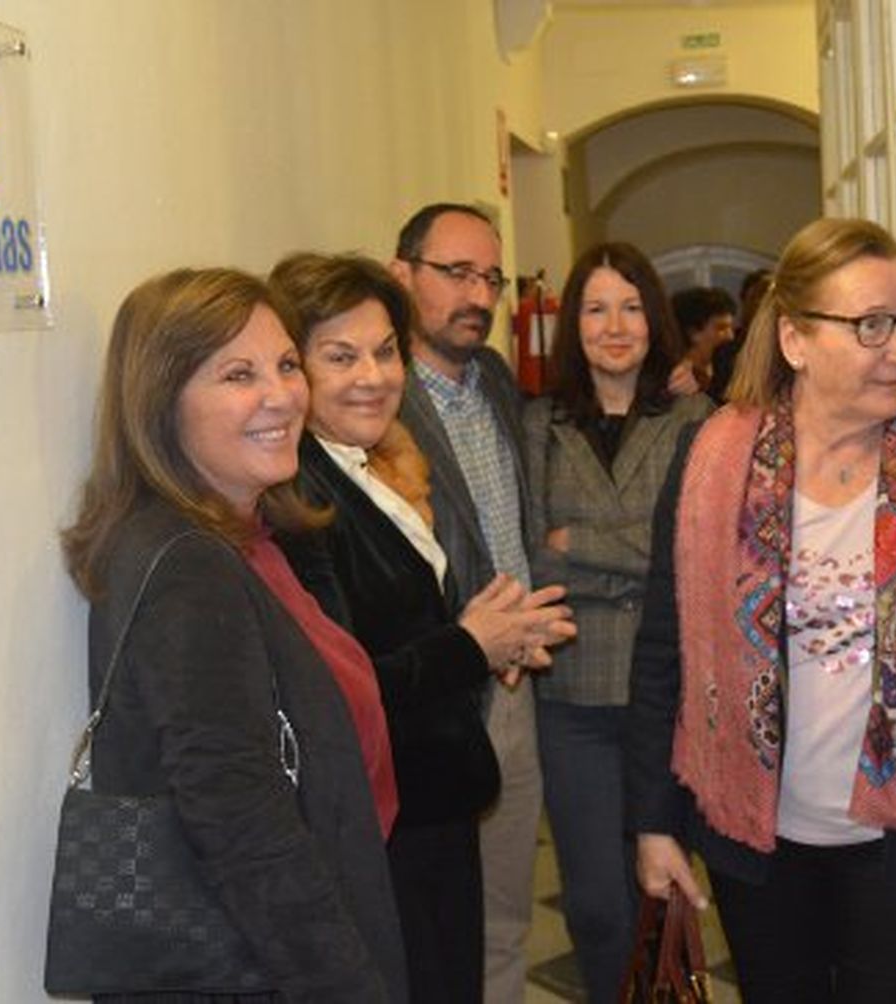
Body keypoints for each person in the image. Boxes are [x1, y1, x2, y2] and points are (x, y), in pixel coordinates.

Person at [626, 219, 896, 1003]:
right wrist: (655, 821)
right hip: (758, 836)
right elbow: (666, 648)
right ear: (795, 338)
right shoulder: (710, 461)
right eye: (870, 326)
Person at [60, 267, 408, 1002]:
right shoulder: (189, 567)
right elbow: (241, 821)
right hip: (258, 970)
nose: (282, 396)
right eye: (238, 375)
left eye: (286, 365)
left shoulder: (245, 539)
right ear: (162, 405)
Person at [268, 252, 575, 1003]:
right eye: (339, 357)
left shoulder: (363, 466)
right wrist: (473, 644)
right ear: (294, 369)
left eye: (384, 352)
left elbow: (406, 626)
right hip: (386, 822)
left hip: (429, 803)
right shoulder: (297, 497)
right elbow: (342, 684)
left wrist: (489, 636)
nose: (372, 376)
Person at [522, 242, 712, 1002]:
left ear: (653, 318)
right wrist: (642, 553)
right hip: (572, 696)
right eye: (596, 308)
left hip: (668, 694)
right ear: (574, 325)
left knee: (661, 894)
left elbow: (696, 554)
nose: (615, 325)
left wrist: (583, 547)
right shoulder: (538, 424)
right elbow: (537, 558)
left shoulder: (697, 419)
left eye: (631, 307)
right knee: (597, 904)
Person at [387, 203, 542, 1004]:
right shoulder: (377, 402)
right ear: (401, 274)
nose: (478, 294)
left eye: (491, 277)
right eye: (457, 273)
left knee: (507, 918)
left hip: (514, 693)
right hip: (438, 701)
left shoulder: (496, 383)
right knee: (441, 926)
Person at [708, 268, 773, 402]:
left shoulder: (792, 346)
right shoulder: (726, 348)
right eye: (755, 299)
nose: (760, 306)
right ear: (745, 303)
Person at [669, 285, 737, 395]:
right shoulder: (678, 381)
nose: (730, 336)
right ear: (694, 333)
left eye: (731, 328)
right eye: (721, 328)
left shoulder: (728, 372)